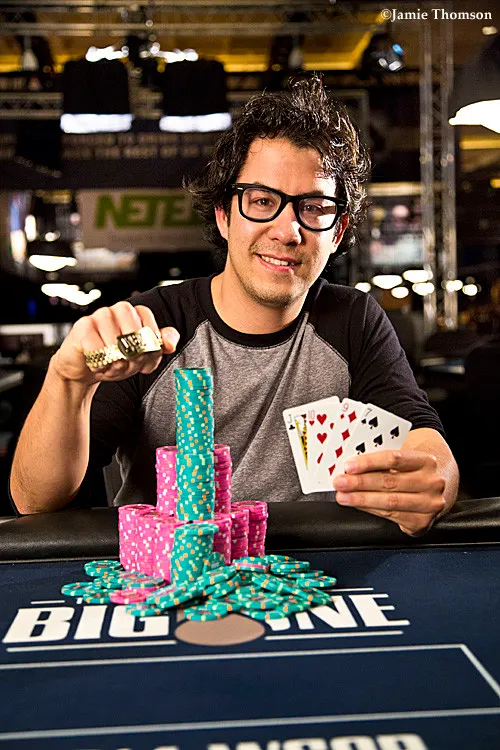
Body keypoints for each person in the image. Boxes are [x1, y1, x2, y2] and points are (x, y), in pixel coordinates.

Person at [10, 75, 458, 536]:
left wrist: (435, 480)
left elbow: (424, 438)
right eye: (262, 201)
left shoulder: (354, 319)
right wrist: (67, 382)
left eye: (313, 207)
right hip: (175, 570)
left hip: (320, 565)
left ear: (338, 231)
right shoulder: (152, 326)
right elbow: (35, 502)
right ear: (224, 216)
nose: (287, 231)